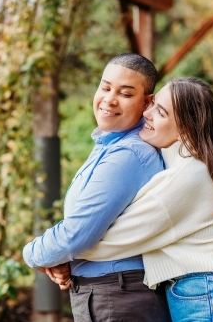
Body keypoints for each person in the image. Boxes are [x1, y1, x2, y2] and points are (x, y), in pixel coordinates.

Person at [49, 77, 213, 322]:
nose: (147, 113)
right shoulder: (187, 164)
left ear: (186, 127)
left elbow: (117, 238)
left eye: (160, 112)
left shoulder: (189, 176)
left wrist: (58, 254)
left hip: (210, 295)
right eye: (152, 105)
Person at [22, 53, 171, 322]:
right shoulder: (110, 144)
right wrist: (61, 258)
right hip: (108, 293)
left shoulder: (129, 153)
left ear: (147, 102)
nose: (110, 99)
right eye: (105, 87)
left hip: (118, 297)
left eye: (125, 94)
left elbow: (77, 234)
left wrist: (33, 253)